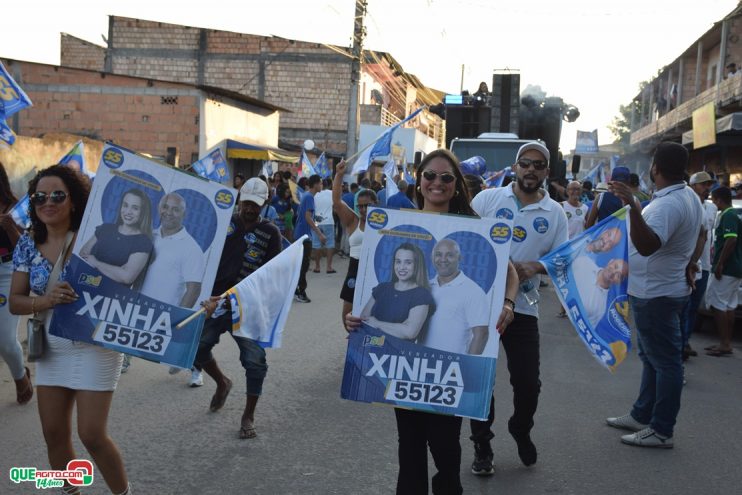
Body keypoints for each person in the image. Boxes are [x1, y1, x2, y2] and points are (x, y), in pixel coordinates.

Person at [346, 149, 518, 494]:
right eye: (430, 176)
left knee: (445, 448)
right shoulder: (395, 227)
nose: (437, 183)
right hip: (405, 366)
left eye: (446, 177)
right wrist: (353, 320)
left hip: (447, 373)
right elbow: (366, 290)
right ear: (418, 181)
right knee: (408, 447)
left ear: (456, 186)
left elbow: (509, 272)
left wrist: (509, 304)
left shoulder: (473, 225)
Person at [9, 165, 130, 494]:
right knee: (54, 434)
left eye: (57, 195)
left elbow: (136, 281)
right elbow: (15, 302)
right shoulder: (27, 244)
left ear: (74, 201)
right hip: (52, 347)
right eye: (39, 197)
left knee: (91, 434)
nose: (48, 202)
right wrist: (45, 301)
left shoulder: (98, 238)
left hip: (96, 344)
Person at [469, 141, 569, 472]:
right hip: (479, 306)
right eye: (525, 163)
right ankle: (482, 445)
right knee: (479, 379)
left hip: (523, 307)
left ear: (547, 172)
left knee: (528, 384)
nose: (530, 169)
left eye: (538, 165)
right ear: (515, 167)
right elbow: (462, 239)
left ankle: (520, 428)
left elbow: (562, 259)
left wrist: (535, 267)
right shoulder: (487, 199)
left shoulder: (555, 213)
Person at [607, 141, 704, 449]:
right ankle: (641, 414)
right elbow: (701, 233)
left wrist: (634, 208)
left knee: (666, 362)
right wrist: (690, 262)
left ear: (655, 168)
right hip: (663, 290)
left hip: (656, 294)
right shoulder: (685, 195)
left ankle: (661, 430)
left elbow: (648, 246)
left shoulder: (667, 205)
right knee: (652, 358)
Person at [196, 178, 282, 439]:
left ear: (265, 203)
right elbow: (205, 255)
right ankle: (222, 382)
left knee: (254, 362)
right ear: (239, 200)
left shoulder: (271, 233)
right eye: (246, 203)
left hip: (248, 307)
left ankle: (248, 415)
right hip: (215, 302)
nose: (250, 209)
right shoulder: (225, 223)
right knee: (195, 348)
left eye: (255, 205)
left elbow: (273, 274)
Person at [422, 239, 491, 355]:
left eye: (449, 255)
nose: (443, 259)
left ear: (459, 258)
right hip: (419, 363)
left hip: (451, 367)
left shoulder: (473, 291)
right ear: (432, 258)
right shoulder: (425, 287)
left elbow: (481, 334)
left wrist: (465, 368)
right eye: (438, 254)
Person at [0, 161, 31, 405]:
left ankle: (20, 376)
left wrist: (11, 228)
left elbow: (29, 248)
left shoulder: (16, 208)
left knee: (4, 339)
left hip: (8, 271)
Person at [360, 243, 435, 340]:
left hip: (398, 353)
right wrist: (399, 327)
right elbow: (364, 319)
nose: (401, 267)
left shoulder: (421, 295)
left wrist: (377, 323)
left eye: (408, 262)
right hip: (371, 346)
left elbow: (409, 332)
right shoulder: (382, 288)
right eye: (398, 261)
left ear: (417, 265)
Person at [79, 188, 153, 288]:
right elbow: (83, 254)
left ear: (143, 212)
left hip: (110, 296)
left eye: (135, 208)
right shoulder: (105, 228)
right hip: (83, 285)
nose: (128, 211)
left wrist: (96, 263)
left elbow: (127, 277)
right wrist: (117, 271)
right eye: (125, 205)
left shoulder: (143, 242)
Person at [140, 192, 204, 308]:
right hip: (131, 308)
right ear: (159, 209)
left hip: (159, 317)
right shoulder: (149, 236)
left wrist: (174, 320)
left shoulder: (192, 248)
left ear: (184, 214)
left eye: (175, 209)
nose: (169, 212)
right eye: (165, 207)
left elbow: (194, 290)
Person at [333, 162, 377, 326]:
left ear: (376, 204)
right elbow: (337, 202)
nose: (365, 209)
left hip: (375, 268)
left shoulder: (386, 224)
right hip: (354, 269)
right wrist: (339, 175)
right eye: (361, 206)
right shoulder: (353, 221)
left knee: (374, 313)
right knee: (347, 316)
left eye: (369, 205)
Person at [682, 171, 716, 359]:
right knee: (684, 304)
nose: (706, 188)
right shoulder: (687, 204)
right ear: (693, 186)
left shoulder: (711, 208)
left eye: (708, 185)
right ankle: (681, 343)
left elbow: (708, 237)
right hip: (688, 262)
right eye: (703, 184)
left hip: (704, 264)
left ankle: (686, 341)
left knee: (694, 306)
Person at [704, 186, 741, 357]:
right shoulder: (732, 215)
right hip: (734, 268)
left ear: (719, 199)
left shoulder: (729, 215)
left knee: (718, 304)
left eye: (714, 199)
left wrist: (720, 264)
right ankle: (725, 342)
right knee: (729, 305)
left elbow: (731, 240)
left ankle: (725, 343)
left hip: (727, 268)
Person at [572, 257, 629, 327]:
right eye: (615, 266)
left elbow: (588, 328)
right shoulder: (583, 262)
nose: (613, 272)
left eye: (618, 275)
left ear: (619, 282)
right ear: (610, 261)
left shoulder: (601, 307)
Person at [294, 175, 324, 303]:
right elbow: (307, 217)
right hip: (304, 236)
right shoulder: (310, 197)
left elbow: (305, 216)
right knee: (303, 265)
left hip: (301, 234)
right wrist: (320, 234)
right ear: (316, 184)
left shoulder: (306, 195)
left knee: (300, 265)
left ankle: (296, 289)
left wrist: (315, 220)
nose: (322, 185)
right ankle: (301, 292)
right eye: (321, 183)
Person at [311, 179, 336, 274]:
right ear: (330, 185)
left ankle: (317, 267)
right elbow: (335, 206)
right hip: (329, 221)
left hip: (317, 221)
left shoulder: (315, 194)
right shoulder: (332, 193)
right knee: (330, 244)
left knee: (317, 244)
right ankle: (329, 267)